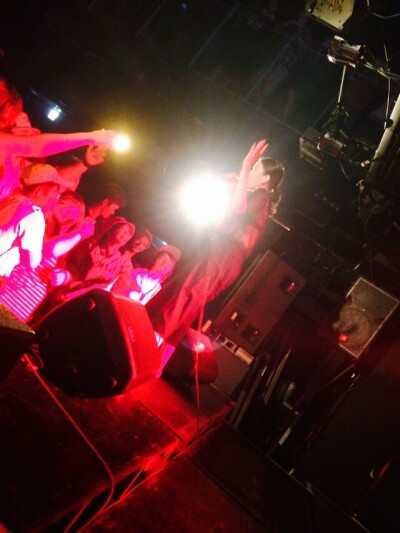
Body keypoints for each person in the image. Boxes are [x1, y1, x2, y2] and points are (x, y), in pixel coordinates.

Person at [152, 140, 285, 374]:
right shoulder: (255, 198)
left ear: (265, 179)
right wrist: (229, 186)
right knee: (186, 304)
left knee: (185, 296)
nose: (251, 171)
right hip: (225, 256)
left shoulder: (261, 195)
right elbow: (225, 219)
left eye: (256, 169)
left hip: (225, 255)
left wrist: (245, 166)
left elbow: (237, 208)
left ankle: (144, 349)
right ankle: (157, 364)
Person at [0, 77, 118, 199]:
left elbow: (51, 181)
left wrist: (86, 163)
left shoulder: (15, 163)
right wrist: (90, 137)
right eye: (19, 118)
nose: (29, 128)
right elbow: (36, 146)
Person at [0, 163, 71, 281]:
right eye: (55, 191)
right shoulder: (33, 216)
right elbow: (32, 262)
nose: (57, 198)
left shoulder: (12, 199)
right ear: (41, 190)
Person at [111, 244, 181, 305]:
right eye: (162, 258)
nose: (164, 262)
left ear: (170, 270)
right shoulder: (137, 274)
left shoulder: (159, 292)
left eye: (169, 262)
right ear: (154, 261)